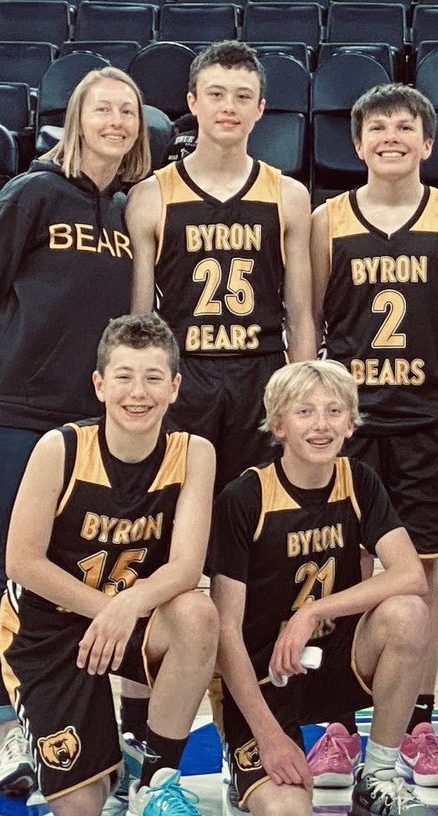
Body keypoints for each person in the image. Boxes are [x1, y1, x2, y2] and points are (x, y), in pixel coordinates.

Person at [0, 67, 151, 798]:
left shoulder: (127, 209)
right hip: (17, 412)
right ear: (76, 118)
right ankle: (12, 731)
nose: (116, 121)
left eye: (127, 111)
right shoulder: (32, 192)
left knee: (79, 569)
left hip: (94, 418)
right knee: (10, 566)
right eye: (103, 108)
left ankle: (84, 728)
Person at [309, 83, 438, 790]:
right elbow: (314, 318)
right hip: (348, 426)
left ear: (428, 142)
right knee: (344, 566)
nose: (391, 137)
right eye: (377, 127)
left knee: (423, 572)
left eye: (405, 127)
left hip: (424, 421)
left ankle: (418, 724)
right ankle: (339, 725)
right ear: (357, 144)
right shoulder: (327, 220)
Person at [0, 313, 219, 816]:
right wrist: (109, 608)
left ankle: (156, 781)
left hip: (126, 618)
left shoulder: (195, 453)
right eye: (123, 376)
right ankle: (91, 747)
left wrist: (124, 608)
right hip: (48, 628)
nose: (137, 392)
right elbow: (21, 562)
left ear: (174, 388)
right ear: (99, 385)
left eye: (151, 377)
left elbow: (186, 567)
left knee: (196, 613)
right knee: (79, 815)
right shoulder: (61, 449)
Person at [209, 360, 438, 816]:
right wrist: (270, 739)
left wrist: (313, 611)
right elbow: (225, 632)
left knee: (408, 613)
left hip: (332, 660)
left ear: (351, 424)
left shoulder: (358, 481)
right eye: (305, 412)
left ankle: (376, 778)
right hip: (262, 672)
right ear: (278, 425)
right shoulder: (244, 497)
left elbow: (409, 576)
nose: (321, 424)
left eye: (334, 411)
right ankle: (241, 763)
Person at [126, 40, 315, 495]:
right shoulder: (151, 195)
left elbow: (301, 311)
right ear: (192, 102)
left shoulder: (288, 195)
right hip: (184, 373)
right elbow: (139, 317)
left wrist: (305, 393)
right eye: (215, 94)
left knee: (255, 518)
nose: (228, 107)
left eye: (242, 96)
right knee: (175, 513)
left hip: (261, 372)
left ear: (260, 109)